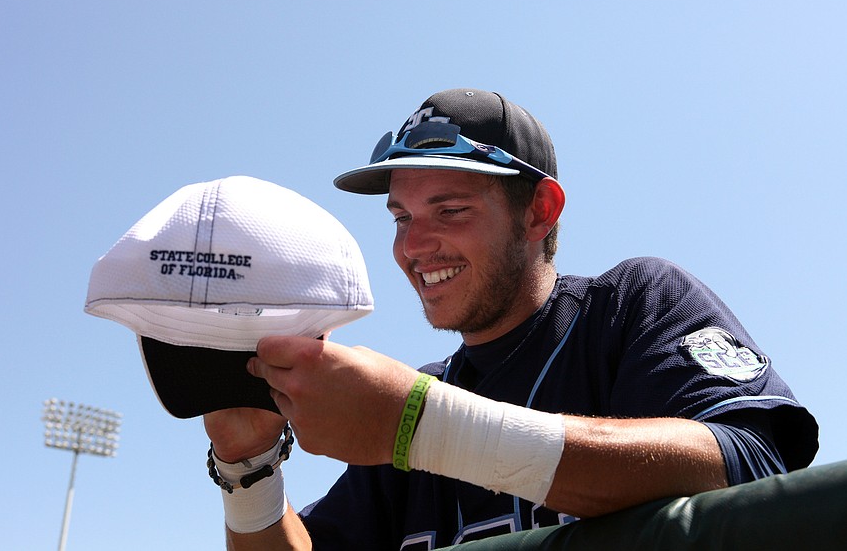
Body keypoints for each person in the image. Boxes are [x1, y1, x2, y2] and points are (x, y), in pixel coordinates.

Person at [203, 88, 818, 550]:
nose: (414, 246)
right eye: (401, 218)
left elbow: (751, 461)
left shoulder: (631, 304)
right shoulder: (426, 397)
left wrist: (420, 426)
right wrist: (248, 463)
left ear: (539, 210)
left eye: (450, 209)